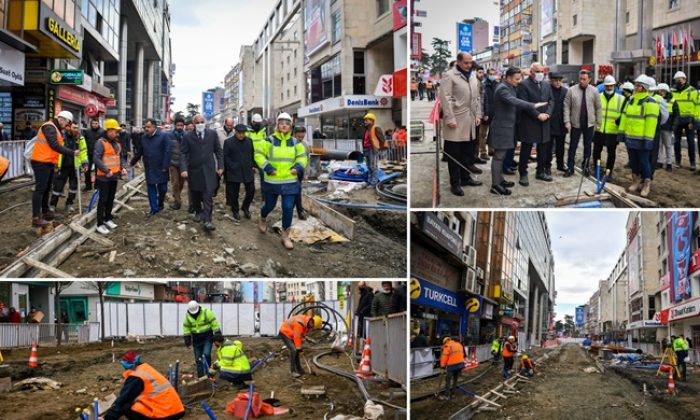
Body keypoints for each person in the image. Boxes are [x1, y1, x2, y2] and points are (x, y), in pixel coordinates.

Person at [487, 67, 549, 195]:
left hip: (508, 127)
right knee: (498, 157)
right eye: (516, 79)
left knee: (502, 156)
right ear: (508, 78)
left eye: (519, 78)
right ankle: (495, 185)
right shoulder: (502, 89)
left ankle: (500, 179)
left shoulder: (509, 86)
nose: (519, 81)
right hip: (501, 128)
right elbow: (514, 101)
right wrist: (533, 105)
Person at [255, 113, 307, 250]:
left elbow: (302, 158)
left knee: (288, 208)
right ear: (277, 125)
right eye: (282, 122)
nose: (284, 125)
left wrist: (298, 167)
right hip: (272, 181)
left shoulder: (296, 143)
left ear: (291, 126)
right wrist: (267, 167)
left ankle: (285, 236)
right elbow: (258, 154)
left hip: (290, 181)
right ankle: (263, 217)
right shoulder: (268, 141)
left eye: (287, 123)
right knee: (269, 206)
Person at [438, 52, 483, 196]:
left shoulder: (473, 75)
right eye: (466, 63)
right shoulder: (449, 75)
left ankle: (466, 178)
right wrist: (450, 119)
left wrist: (478, 115)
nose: (469, 65)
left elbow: (477, 98)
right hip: (456, 122)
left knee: (468, 153)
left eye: (471, 62)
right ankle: (455, 183)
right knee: (454, 155)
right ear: (458, 62)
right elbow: (446, 98)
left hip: (470, 121)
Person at [30, 111, 79, 228]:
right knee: (40, 189)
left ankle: (46, 212)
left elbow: (53, 148)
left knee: (47, 188)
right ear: (61, 119)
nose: (66, 126)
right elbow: (54, 145)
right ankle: (36, 217)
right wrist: (72, 153)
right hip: (41, 161)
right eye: (67, 123)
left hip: (48, 161)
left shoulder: (55, 128)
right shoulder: (49, 127)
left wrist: (56, 164)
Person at [103, 351, 185, 420]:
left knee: (126, 407)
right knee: (135, 402)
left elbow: (123, 399)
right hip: (176, 410)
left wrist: (107, 417)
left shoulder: (136, 376)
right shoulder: (146, 369)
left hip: (165, 414)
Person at [180, 114, 224, 232]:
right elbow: (183, 154)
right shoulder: (188, 137)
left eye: (202, 122)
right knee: (195, 193)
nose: (200, 124)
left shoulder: (212, 134)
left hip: (209, 170)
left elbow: (218, 151)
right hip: (194, 170)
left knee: (208, 195)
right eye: (197, 122)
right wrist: (183, 169)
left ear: (205, 122)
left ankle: (208, 220)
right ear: (193, 124)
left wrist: (220, 166)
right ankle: (198, 211)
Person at [619, 75, 659, 198]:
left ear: (644, 87)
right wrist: (621, 132)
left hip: (642, 139)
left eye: (638, 85)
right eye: (635, 84)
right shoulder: (631, 100)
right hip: (630, 137)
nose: (635, 87)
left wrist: (648, 139)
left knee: (645, 162)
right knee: (634, 162)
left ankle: (646, 184)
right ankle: (636, 181)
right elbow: (625, 117)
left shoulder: (650, 102)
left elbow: (651, 123)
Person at [515, 62, 554, 185]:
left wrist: (547, 114)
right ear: (531, 72)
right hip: (530, 121)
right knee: (526, 148)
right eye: (537, 71)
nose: (540, 74)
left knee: (543, 148)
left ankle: (540, 171)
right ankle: (523, 173)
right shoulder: (523, 85)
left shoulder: (546, 85)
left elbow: (551, 100)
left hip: (544, 122)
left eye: (542, 71)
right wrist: (538, 115)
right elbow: (524, 104)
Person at [563, 70, 602, 177]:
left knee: (587, 146)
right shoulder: (571, 90)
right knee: (573, 146)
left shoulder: (594, 91)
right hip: (575, 123)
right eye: (580, 78)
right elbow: (566, 107)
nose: (581, 81)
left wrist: (599, 123)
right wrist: (567, 121)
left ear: (589, 79)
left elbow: (598, 108)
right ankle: (570, 168)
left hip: (589, 124)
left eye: (584, 79)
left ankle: (586, 167)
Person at [130, 118, 171, 217]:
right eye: (145, 127)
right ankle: (154, 209)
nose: (146, 129)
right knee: (151, 188)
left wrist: (165, 165)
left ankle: (160, 202)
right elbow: (140, 151)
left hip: (161, 167)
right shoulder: (144, 137)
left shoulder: (163, 136)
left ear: (154, 126)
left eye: (148, 127)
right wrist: (133, 161)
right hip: (150, 167)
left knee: (162, 188)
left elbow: (168, 151)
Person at [94, 119, 127, 235]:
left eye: (117, 131)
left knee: (110, 199)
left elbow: (120, 157)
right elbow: (96, 159)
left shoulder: (117, 143)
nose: (117, 133)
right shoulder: (100, 142)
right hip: (104, 177)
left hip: (114, 176)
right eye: (115, 131)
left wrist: (123, 167)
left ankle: (108, 218)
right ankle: (99, 224)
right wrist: (106, 170)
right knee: (102, 200)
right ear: (109, 130)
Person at [49, 121, 88, 213]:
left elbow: (83, 152)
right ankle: (52, 205)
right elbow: (56, 151)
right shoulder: (61, 137)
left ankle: (69, 204)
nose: (76, 129)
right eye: (74, 127)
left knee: (73, 187)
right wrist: (55, 164)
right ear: (68, 127)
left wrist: (85, 164)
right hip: (62, 166)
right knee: (58, 187)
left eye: (77, 127)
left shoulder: (80, 138)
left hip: (75, 167)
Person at [593, 75, 623, 178]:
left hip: (612, 131)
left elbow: (623, 115)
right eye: (607, 86)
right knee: (596, 151)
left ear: (614, 86)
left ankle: (608, 172)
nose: (609, 88)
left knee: (611, 153)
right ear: (604, 86)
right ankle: (596, 170)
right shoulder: (598, 96)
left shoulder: (621, 99)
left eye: (611, 86)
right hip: (599, 129)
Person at [224, 124, 256, 221]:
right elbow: (225, 156)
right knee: (234, 193)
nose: (241, 135)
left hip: (247, 170)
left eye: (243, 133)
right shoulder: (228, 142)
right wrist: (231, 166)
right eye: (239, 133)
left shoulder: (249, 141)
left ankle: (245, 207)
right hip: (234, 171)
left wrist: (253, 165)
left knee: (251, 190)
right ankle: (235, 210)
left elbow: (252, 154)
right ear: (235, 132)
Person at [183, 300, 221, 379]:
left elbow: (215, 324)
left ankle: (209, 373)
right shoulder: (187, 316)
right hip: (196, 339)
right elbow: (186, 328)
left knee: (206, 354)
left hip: (207, 337)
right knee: (198, 359)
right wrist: (187, 341)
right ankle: (201, 377)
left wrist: (218, 338)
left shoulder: (206, 312)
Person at [278, 313, 322, 377]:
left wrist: (302, 343)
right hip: (285, 332)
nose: (312, 328)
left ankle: (299, 370)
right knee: (294, 350)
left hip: (291, 333)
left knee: (297, 351)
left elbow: (301, 333)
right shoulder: (300, 324)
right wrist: (299, 348)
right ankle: (292, 371)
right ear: (312, 322)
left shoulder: (306, 322)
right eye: (313, 326)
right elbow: (297, 337)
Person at [669, 71, 697, 171]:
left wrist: (692, 121)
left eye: (679, 79)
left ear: (684, 79)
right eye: (676, 80)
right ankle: (677, 161)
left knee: (691, 142)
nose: (677, 81)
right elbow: (670, 105)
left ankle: (692, 162)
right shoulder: (672, 90)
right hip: (677, 120)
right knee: (676, 141)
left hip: (689, 121)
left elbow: (696, 107)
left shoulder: (692, 91)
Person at [548, 73, 569, 172]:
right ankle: (547, 166)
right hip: (549, 123)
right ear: (551, 80)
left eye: (560, 80)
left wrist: (567, 121)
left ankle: (560, 165)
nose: (558, 82)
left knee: (560, 147)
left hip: (561, 124)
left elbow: (568, 107)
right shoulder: (547, 90)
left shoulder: (565, 91)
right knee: (548, 147)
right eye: (555, 80)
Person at [478, 68, 499, 161]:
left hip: (495, 112)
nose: (492, 75)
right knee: (482, 134)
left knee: (493, 133)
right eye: (490, 74)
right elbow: (482, 100)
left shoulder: (497, 85)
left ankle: (491, 149)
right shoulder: (483, 85)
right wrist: (484, 113)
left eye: (493, 74)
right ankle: (483, 152)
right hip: (485, 113)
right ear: (487, 74)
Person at [438, 337, 466, 401]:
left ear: (445, 342)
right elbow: (462, 354)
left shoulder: (448, 346)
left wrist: (442, 367)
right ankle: (453, 393)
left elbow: (444, 357)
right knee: (455, 379)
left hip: (452, 365)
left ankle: (447, 395)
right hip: (460, 365)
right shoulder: (459, 344)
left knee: (448, 379)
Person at [168, 117, 187, 210]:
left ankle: (176, 195)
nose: (180, 127)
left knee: (181, 183)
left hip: (183, 164)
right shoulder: (169, 135)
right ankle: (178, 202)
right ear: (175, 125)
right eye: (178, 125)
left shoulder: (186, 136)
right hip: (173, 163)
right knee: (175, 182)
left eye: (181, 125)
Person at [361, 113, 385, 186]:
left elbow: (382, 140)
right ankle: (369, 180)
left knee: (373, 166)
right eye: (364, 120)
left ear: (371, 121)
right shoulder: (366, 130)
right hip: (367, 149)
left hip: (373, 150)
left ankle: (374, 182)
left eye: (366, 120)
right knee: (369, 166)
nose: (365, 121)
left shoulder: (376, 128)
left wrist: (378, 149)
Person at [655, 83, 674, 171]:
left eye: (662, 91)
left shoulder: (672, 100)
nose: (661, 92)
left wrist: (673, 126)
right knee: (659, 145)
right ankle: (659, 161)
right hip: (659, 126)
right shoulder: (657, 100)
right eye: (660, 91)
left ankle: (669, 163)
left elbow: (676, 114)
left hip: (667, 126)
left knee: (668, 145)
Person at [82, 118, 104, 191]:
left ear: (98, 124)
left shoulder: (102, 132)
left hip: (98, 154)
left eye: (96, 123)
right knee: (87, 170)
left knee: (98, 170)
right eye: (93, 123)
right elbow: (84, 142)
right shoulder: (87, 131)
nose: (94, 125)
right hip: (89, 153)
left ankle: (97, 186)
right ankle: (88, 185)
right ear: (91, 124)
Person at [292, 126, 309, 220]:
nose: (300, 139)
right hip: (291, 172)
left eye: (302, 137)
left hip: (300, 172)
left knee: (297, 191)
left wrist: (306, 172)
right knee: (296, 191)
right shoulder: (290, 144)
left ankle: (298, 210)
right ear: (294, 134)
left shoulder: (305, 145)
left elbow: (307, 159)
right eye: (299, 137)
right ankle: (300, 211)